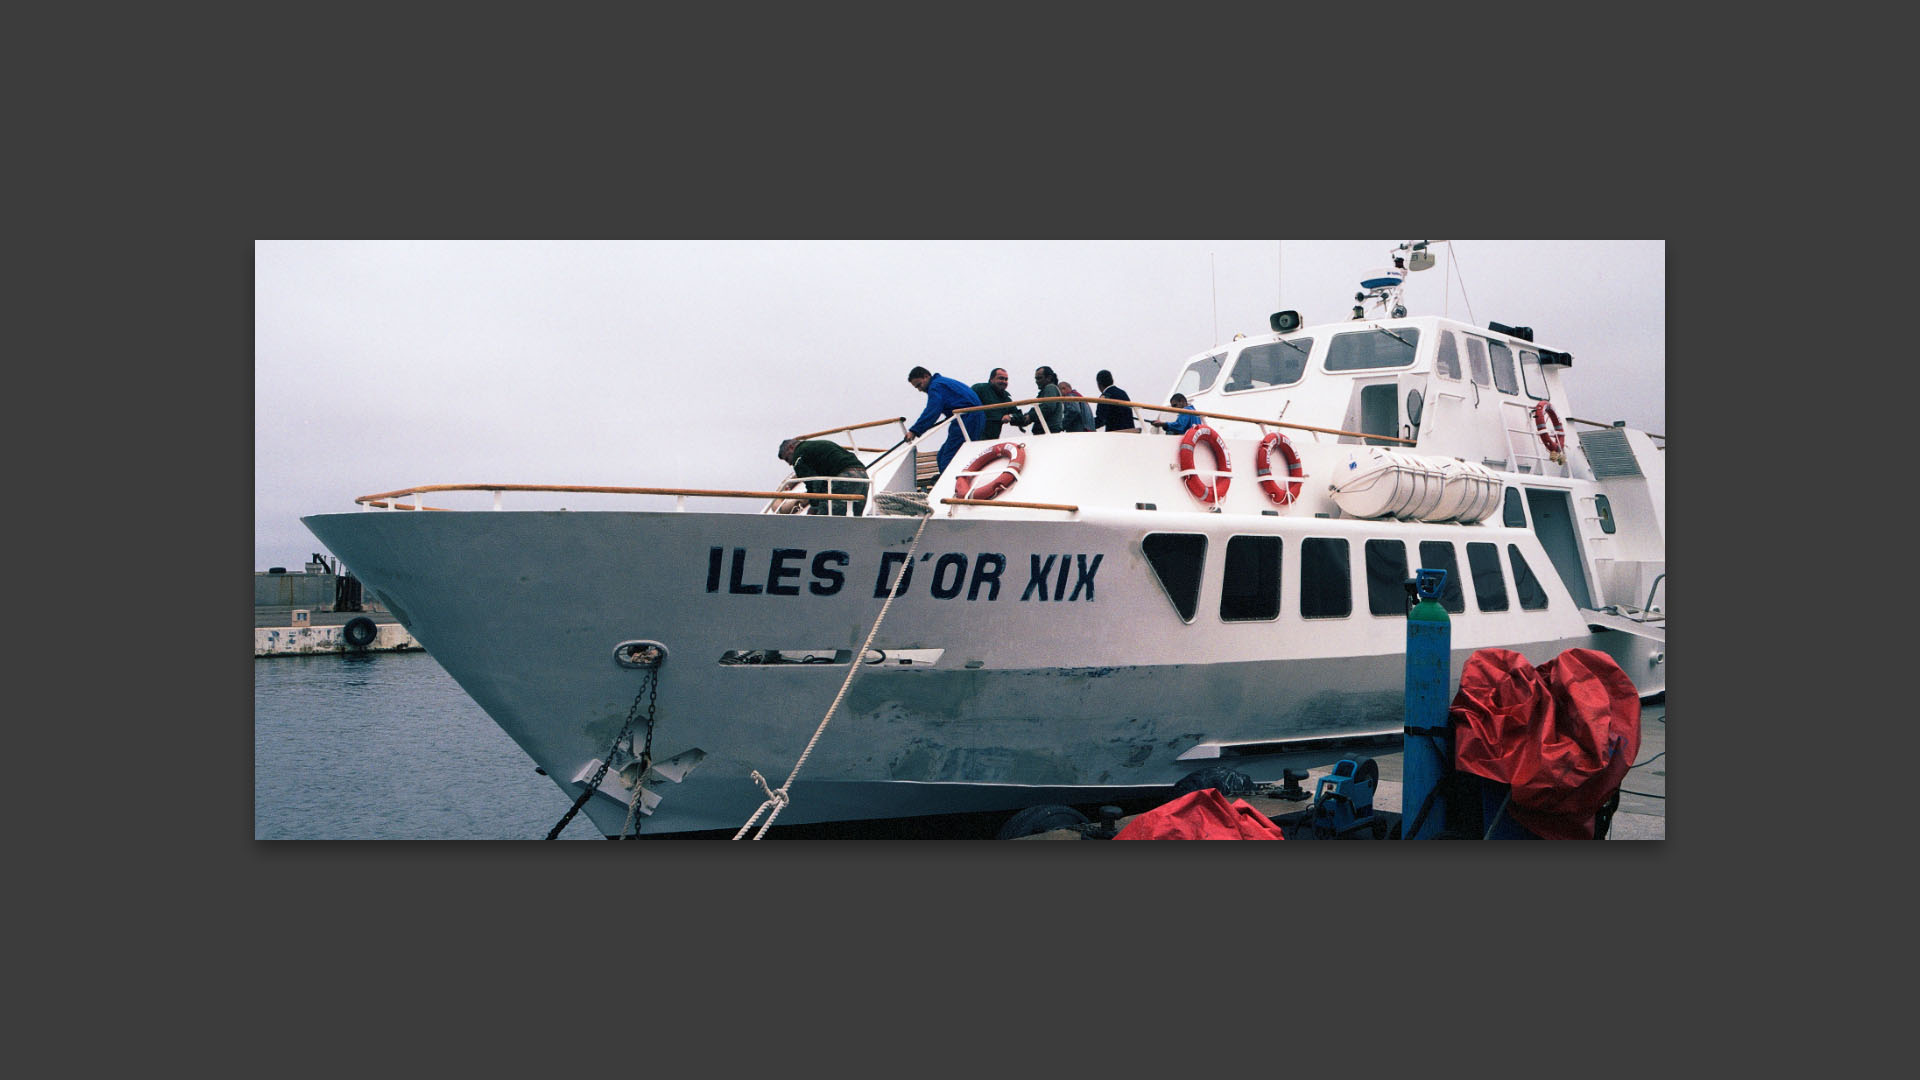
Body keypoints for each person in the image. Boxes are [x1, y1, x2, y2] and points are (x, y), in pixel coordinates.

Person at [907, 366, 985, 472]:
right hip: (969, 418)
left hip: (967, 418)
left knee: (947, 459)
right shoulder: (942, 382)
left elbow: (932, 411)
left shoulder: (936, 386)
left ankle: (951, 485)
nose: (920, 390)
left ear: (926, 377)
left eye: (919, 385)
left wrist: (914, 431)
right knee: (942, 456)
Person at [778, 437, 869, 516]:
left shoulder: (799, 455)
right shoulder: (815, 446)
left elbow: (812, 482)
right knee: (855, 519)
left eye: (787, 458)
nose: (790, 463)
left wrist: (814, 507)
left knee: (826, 519)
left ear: (791, 447)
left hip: (845, 478)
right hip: (863, 476)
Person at [970, 367, 1027, 440]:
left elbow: (1020, 416)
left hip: (991, 439)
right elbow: (965, 404)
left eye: (1006, 379)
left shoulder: (1006, 398)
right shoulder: (979, 388)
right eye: (1001, 378)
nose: (1004, 381)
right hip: (973, 436)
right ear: (991, 379)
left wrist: (1010, 417)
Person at [1024, 365, 1066, 433]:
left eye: (1039, 378)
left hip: (1048, 431)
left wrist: (1030, 417)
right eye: (1036, 379)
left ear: (1049, 378)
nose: (1037, 381)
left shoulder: (1050, 388)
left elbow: (1048, 407)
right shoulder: (1047, 391)